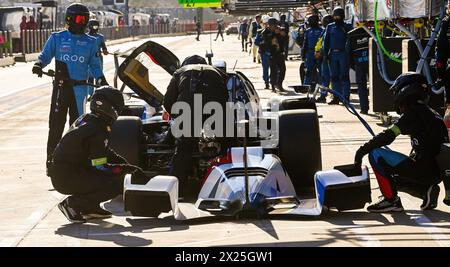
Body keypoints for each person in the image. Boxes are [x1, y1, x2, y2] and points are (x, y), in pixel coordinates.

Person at [354, 73, 449, 212]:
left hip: (423, 169)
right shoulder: (431, 112)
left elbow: (388, 136)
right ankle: (425, 191)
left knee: (376, 154)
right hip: (434, 173)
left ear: (405, 90)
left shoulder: (412, 113)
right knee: (392, 179)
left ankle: (391, 201)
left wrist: (362, 151)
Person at [32, 3, 108, 176]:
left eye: (86, 19)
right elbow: (45, 56)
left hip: (80, 90)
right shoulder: (57, 38)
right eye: (80, 19)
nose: (83, 23)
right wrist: (38, 64)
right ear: (69, 19)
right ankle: (51, 163)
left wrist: (102, 80)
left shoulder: (91, 42)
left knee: (77, 128)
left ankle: (76, 162)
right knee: (56, 126)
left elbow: (95, 66)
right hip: (60, 89)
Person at [51, 87, 146, 223]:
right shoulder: (97, 129)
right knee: (113, 184)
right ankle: (73, 204)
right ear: (111, 108)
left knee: (108, 177)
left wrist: (125, 163)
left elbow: (104, 152)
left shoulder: (87, 120)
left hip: (64, 172)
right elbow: (100, 166)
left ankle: (90, 208)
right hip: (68, 176)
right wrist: (124, 169)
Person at [163, 55, 228, 197]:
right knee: (227, 144)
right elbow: (226, 97)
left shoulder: (180, 72)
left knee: (184, 149)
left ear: (184, 64)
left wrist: (177, 119)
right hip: (216, 107)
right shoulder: (217, 72)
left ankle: (177, 191)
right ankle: (229, 181)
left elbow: (167, 101)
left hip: (188, 108)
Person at [322, 7, 353, 105]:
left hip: (343, 53)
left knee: (344, 76)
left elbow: (352, 40)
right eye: (335, 16)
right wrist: (325, 54)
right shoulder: (330, 27)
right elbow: (325, 40)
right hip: (332, 53)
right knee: (334, 77)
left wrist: (351, 54)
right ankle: (336, 97)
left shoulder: (347, 26)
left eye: (338, 15)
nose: (336, 17)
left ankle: (346, 96)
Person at [346, 23, 370, 114]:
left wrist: (353, 65)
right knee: (376, 85)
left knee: (361, 86)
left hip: (359, 64)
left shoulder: (351, 34)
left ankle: (364, 108)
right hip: (372, 63)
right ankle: (380, 109)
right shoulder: (371, 32)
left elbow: (348, 52)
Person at [87, 19, 109, 97]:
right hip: (88, 59)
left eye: (97, 26)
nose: (96, 28)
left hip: (98, 58)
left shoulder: (100, 37)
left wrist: (105, 51)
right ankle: (90, 94)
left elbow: (104, 47)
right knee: (89, 77)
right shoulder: (85, 37)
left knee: (98, 76)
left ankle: (97, 93)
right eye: (94, 26)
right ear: (89, 26)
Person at [315, 15, 333, 103]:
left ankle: (323, 95)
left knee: (325, 77)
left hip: (327, 57)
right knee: (335, 77)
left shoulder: (326, 31)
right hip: (332, 56)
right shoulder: (328, 30)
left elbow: (323, 44)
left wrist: (319, 53)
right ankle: (337, 95)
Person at [301, 15, 323, 91]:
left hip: (319, 53)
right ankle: (306, 88)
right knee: (308, 72)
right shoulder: (308, 31)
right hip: (310, 53)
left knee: (321, 72)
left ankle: (322, 89)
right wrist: (303, 54)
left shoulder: (322, 30)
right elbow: (305, 43)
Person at [266, 18, 287, 91]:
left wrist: (283, 34)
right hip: (271, 54)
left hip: (280, 53)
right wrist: (275, 33)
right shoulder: (266, 32)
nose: (275, 26)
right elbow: (267, 41)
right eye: (273, 25)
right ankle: (272, 85)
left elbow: (285, 39)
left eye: (275, 25)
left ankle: (279, 83)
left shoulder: (279, 30)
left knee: (283, 69)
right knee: (273, 70)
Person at [256, 15, 271, 89]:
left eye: (267, 23)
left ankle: (273, 82)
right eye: (264, 23)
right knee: (266, 68)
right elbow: (256, 42)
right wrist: (262, 42)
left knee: (273, 68)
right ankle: (267, 82)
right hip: (264, 52)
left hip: (272, 53)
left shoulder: (273, 31)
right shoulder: (260, 32)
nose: (266, 25)